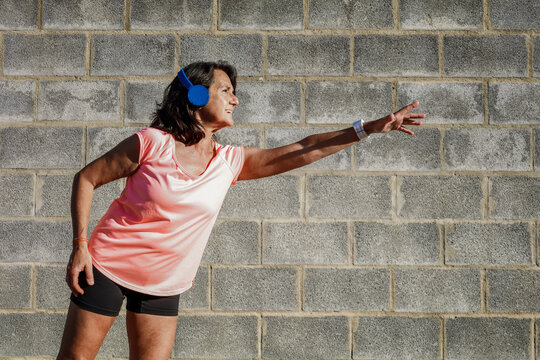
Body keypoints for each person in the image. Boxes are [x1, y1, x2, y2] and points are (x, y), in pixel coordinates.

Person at [56, 60, 424, 360]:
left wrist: (368, 129)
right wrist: (80, 246)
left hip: (164, 284)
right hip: (107, 267)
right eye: (226, 91)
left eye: (235, 93)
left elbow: (304, 148)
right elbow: (86, 179)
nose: (235, 100)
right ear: (197, 94)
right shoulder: (151, 143)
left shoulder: (229, 161)